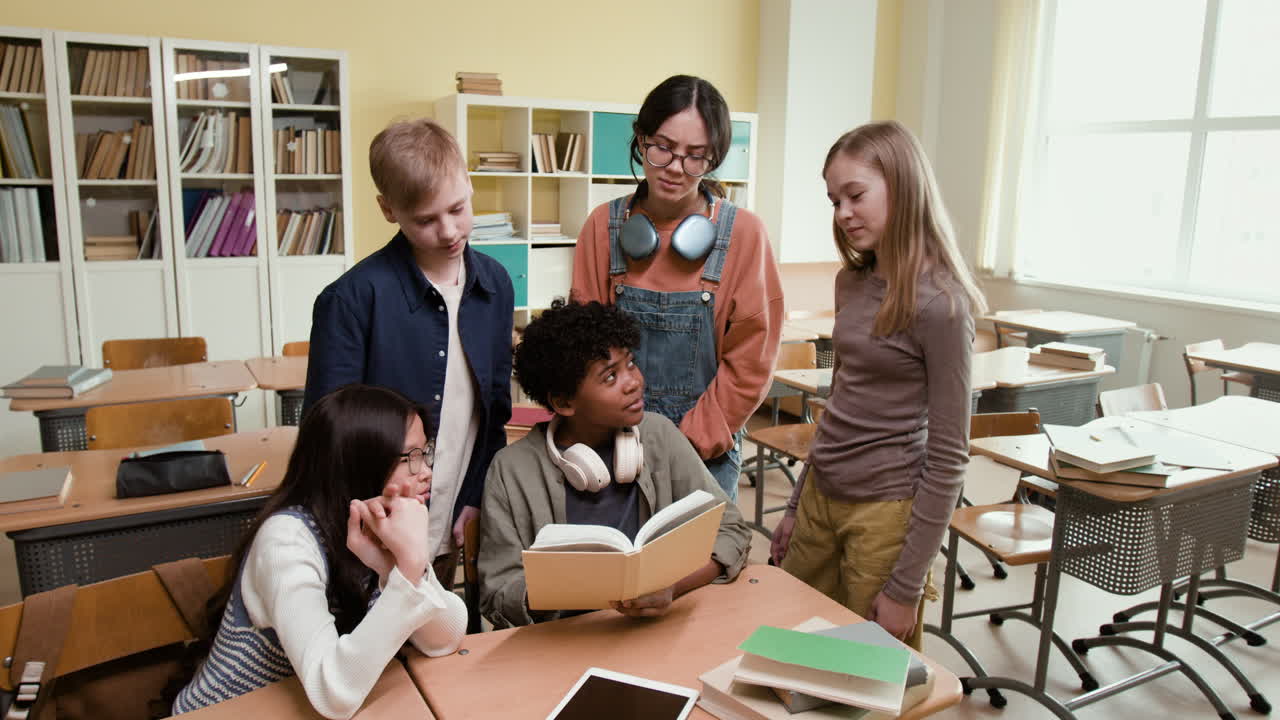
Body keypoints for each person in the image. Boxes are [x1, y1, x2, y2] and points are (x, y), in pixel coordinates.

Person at [770, 121, 988, 651]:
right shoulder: (851, 282)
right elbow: (839, 405)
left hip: (885, 513)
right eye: (834, 201)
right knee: (794, 650)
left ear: (904, 187)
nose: (843, 213)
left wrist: (906, 587)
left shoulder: (941, 304)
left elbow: (949, 455)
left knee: (867, 673)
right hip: (821, 493)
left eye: (855, 195)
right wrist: (796, 505)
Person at [303, 118, 514, 585]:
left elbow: (495, 411)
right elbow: (328, 437)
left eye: (458, 208)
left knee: (438, 625)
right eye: (425, 220)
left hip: (452, 516)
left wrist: (476, 495)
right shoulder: (350, 299)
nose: (449, 231)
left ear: (469, 183)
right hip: (372, 533)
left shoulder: (496, 284)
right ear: (388, 209)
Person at [173, 385, 467, 718]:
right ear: (362, 463)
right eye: (411, 457)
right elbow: (333, 693)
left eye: (426, 452)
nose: (426, 471)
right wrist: (410, 567)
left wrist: (395, 569)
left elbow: (446, 638)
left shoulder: (377, 524)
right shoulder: (286, 540)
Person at [570, 75, 783, 502]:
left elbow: (750, 363)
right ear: (641, 139)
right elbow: (586, 347)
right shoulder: (601, 227)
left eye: (695, 156)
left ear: (713, 159)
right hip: (617, 448)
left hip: (704, 458)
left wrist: (684, 447)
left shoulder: (745, 234)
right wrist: (615, 441)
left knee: (701, 549)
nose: (674, 167)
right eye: (662, 147)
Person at [477, 299, 751, 629]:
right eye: (610, 377)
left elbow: (731, 530)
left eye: (631, 363)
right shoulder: (511, 470)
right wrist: (565, 588)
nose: (633, 381)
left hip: (654, 631)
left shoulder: (659, 435)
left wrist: (672, 587)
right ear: (564, 402)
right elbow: (497, 594)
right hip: (565, 641)